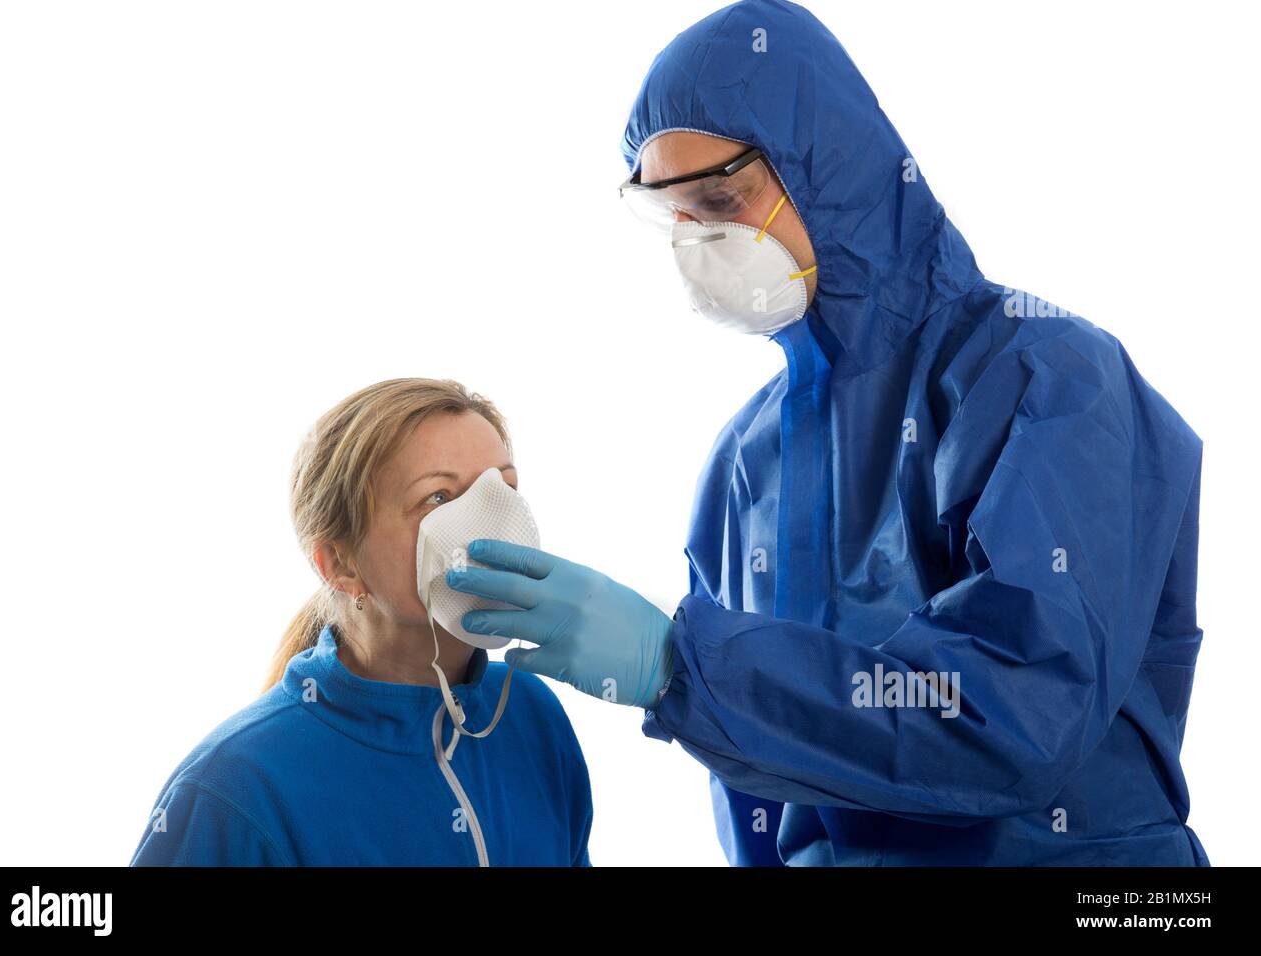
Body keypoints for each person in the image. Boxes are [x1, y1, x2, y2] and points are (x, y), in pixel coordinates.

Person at [444, 0, 1209, 866]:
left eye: (722, 198)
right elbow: (763, 790)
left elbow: (1017, 722)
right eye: (675, 218)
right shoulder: (744, 466)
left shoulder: (1049, 381)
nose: (700, 243)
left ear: (829, 167)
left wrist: (681, 665)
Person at [130, 378, 593, 866]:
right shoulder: (235, 788)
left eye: (503, 486)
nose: (493, 519)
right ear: (340, 564)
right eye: (438, 497)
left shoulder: (528, 714)